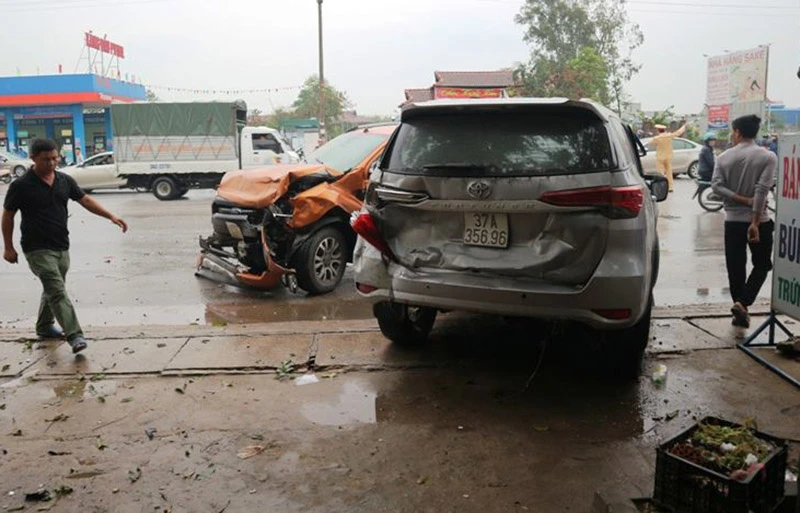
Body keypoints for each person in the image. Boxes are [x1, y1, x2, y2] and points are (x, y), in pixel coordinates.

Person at [2, 139, 128, 354]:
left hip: (61, 245)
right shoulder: (21, 186)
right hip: (36, 248)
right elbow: (8, 216)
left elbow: (85, 200)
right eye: (46, 159)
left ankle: (44, 327)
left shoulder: (64, 180)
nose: (52, 163)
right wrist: (8, 247)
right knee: (57, 291)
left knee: (53, 288)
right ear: (33, 159)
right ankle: (75, 335)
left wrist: (111, 216)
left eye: (54, 158)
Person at [711, 115, 777, 328]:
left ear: (737, 132)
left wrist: (739, 199)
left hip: (732, 222)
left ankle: (739, 307)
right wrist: (755, 222)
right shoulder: (768, 157)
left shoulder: (723, 157)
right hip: (760, 221)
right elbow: (762, 190)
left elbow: (716, 186)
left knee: (735, 267)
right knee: (763, 265)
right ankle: (743, 302)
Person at [651, 121, 687, 192]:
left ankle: (662, 187)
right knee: (669, 173)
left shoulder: (657, 138)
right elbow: (678, 133)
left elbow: (650, 142)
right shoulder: (669, 136)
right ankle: (670, 187)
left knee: (661, 173)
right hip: (668, 157)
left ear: (658, 130)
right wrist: (684, 126)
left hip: (660, 157)